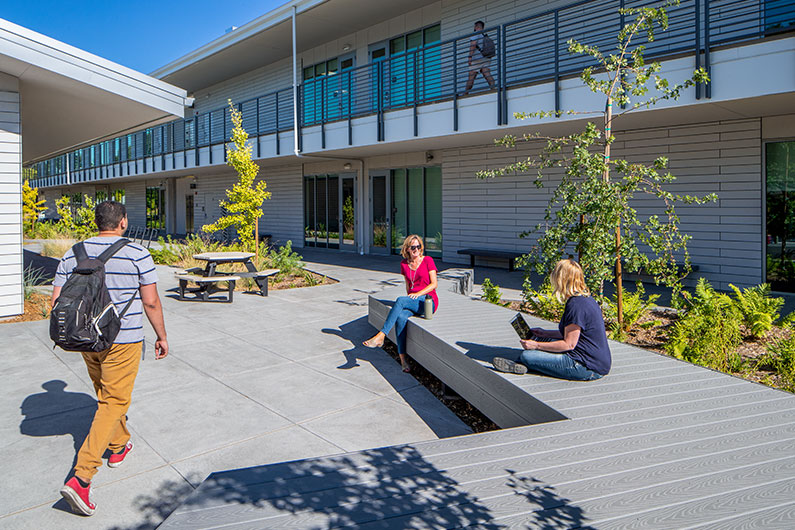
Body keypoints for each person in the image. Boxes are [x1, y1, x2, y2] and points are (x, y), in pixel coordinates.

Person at [52, 201, 168, 516]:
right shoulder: (137, 253)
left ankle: (118, 446)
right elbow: (152, 301)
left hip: (86, 339)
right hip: (123, 340)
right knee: (114, 401)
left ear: (97, 222)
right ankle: (82, 477)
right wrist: (161, 335)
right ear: (123, 223)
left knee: (106, 396)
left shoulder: (73, 253)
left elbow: (56, 301)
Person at [492, 259, 611, 380]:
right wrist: (544, 333)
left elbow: (569, 344)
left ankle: (523, 363)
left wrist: (536, 345)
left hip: (585, 366)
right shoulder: (585, 299)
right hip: (591, 359)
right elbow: (572, 335)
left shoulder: (576, 306)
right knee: (543, 339)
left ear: (561, 279)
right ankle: (526, 364)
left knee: (527, 356)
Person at [363, 235, 438, 372]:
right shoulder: (404, 264)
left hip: (427, 301)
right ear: (407, 249)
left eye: (418, 246)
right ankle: (403, 360)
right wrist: (410, 297)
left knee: (400, 300)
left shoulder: (427, 260)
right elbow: (408, 286)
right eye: (413, 247)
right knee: (401, 318)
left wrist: (417, 294)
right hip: (413, 300)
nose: (416, 249)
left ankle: (381, 335)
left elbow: (434, 284)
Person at [465, 20, 496, 94]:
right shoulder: (484, 35)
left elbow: (473, 44)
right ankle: (493, 88)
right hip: (485, 58)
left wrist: (469, 57)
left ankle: (465, 93)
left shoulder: (476, 34)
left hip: (476, 59)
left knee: (471, 76)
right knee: (487, 73)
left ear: (476, 27)